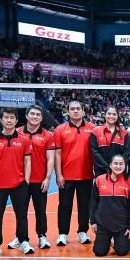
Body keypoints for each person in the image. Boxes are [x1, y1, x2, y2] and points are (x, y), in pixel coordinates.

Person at [0, 108, 33, 258]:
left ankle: (23, 241)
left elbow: (27, 161)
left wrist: (26, 181)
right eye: (6, 117)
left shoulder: (24, 139)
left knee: (22, 215)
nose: (9, 120)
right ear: (2, 119)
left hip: (19, 184)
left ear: (16, 120)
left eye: (12, 117)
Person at [53, 100, 96, 246]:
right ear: (67, 112)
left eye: (78, 108)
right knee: (64, 206)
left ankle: (82, 232)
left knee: (84, 206)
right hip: (66, 176)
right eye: (72, 109)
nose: (76, 111)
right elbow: (57, 154)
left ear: (83, 111)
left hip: (86, 175)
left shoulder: (92, 129)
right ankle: (63, 234)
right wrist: (59, 174)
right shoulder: (60, 130)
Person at [12, 105, 54, 250]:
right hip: (21, 180)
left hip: (39, 180)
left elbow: (50, 158)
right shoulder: (16, 132)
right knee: (20, 211)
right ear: (27, 116)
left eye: (38, 114)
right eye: (32, 114)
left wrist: (48, 178)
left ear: (41, 118)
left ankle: (42, 236)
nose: (35, 116)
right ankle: (20, 237)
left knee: (40, 210)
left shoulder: (47, 135)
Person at [89, 155, 130, 256]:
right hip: (103, 225)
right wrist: (93, 221)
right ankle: (106, 241)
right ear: (110, 165)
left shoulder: (129, 182)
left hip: (122, 226)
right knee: (99, 252)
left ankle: (118, 242)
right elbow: (93, 202)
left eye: (121, 164)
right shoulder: (99, 180)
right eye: (115, 163)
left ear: (125, 166)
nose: (118, 166)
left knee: (122, 251)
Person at [90, 106, 130, 176]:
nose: (111, 116)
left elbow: (126, 153)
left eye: (114, 114)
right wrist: (108, 167)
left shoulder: (124, 133)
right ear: (105, 115)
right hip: (101, 171)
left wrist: (116, 167)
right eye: (109, 114)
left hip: (119, 171)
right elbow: (95, 152)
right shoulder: (95, 132)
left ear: (117, 116)